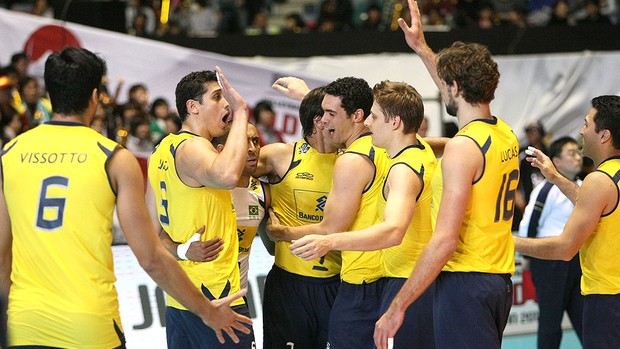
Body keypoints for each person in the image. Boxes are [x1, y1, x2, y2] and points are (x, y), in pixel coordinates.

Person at [0, 47, 251, 348]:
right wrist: (206, 311)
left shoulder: (9, 153)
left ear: (48, 93)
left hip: (24, 323)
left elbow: (3, 254)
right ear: (95, 95)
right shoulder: (113, 158)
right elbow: (151, 258)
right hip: (90, 324)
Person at [374, 1, 519, 348]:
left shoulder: (462, 148)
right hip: (498, 281)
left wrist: (398, 305)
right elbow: (455, 93)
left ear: (455, 88)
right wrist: (422, 49)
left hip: (464, 283)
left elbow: (444, 241)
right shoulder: (503, 133)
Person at [288, 80, 437, 348]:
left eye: (374, 116)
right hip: (399, 278)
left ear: (395, 123)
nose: (369, 122)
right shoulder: (417, 148)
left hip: (371, 282)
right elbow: (451, 142)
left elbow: (384, 230)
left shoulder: (387, 165)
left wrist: (284, 232)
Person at [268, 76, 390, 348]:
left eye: (331, 114)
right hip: (382, 276)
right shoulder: (389, 144)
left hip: (357, 279)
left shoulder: (351, 158)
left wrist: (281, 233)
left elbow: (330, 229)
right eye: (321, 114)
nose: (325, 120)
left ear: (358, 115)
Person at [146, 68, 255, 348]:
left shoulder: (160, 152)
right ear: (192, 107)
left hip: (180, 300)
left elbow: (153, 233)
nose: (226, 104)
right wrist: (242, 112)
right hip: (217, 298)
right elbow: (228, 176)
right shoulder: (193, 148)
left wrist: (182, 250)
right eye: (217, 97)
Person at [514, 95, 620, 349]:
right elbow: (598, 205)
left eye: (586, 124)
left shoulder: (598, 181)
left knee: (550, 327)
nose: (581, 131)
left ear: (603, 135)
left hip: (606, 298)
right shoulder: (607, 181)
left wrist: (506, 241)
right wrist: (556, 178)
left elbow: (565, 248)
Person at [259, 79, 342, 349]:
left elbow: (408, 143)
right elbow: (226, 172)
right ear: (319, 121)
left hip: (338, 283)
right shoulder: (280, 156)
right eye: (332, 114)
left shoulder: (355, 158)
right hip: (289, 286)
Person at [158, 123, 271, 292]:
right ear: (221, 150)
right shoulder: (200, 187)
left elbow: (272, 248)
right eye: (244, 143)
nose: (252, 149)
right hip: (195, 296)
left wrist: (279, 233)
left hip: (237, 296)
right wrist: (183, 251)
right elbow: (160, 237)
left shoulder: (264, 192)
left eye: (255, 141)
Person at [517, 136, 584, 349]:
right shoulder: (546, 190)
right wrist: (528, 257)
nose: (578, 157)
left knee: (585, 320)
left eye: (578, 152)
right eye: (571, 153)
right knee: (550, 323)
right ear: (556, 161)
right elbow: (530, 224)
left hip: (578, 261)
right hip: (550, 263)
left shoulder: (584, 187)